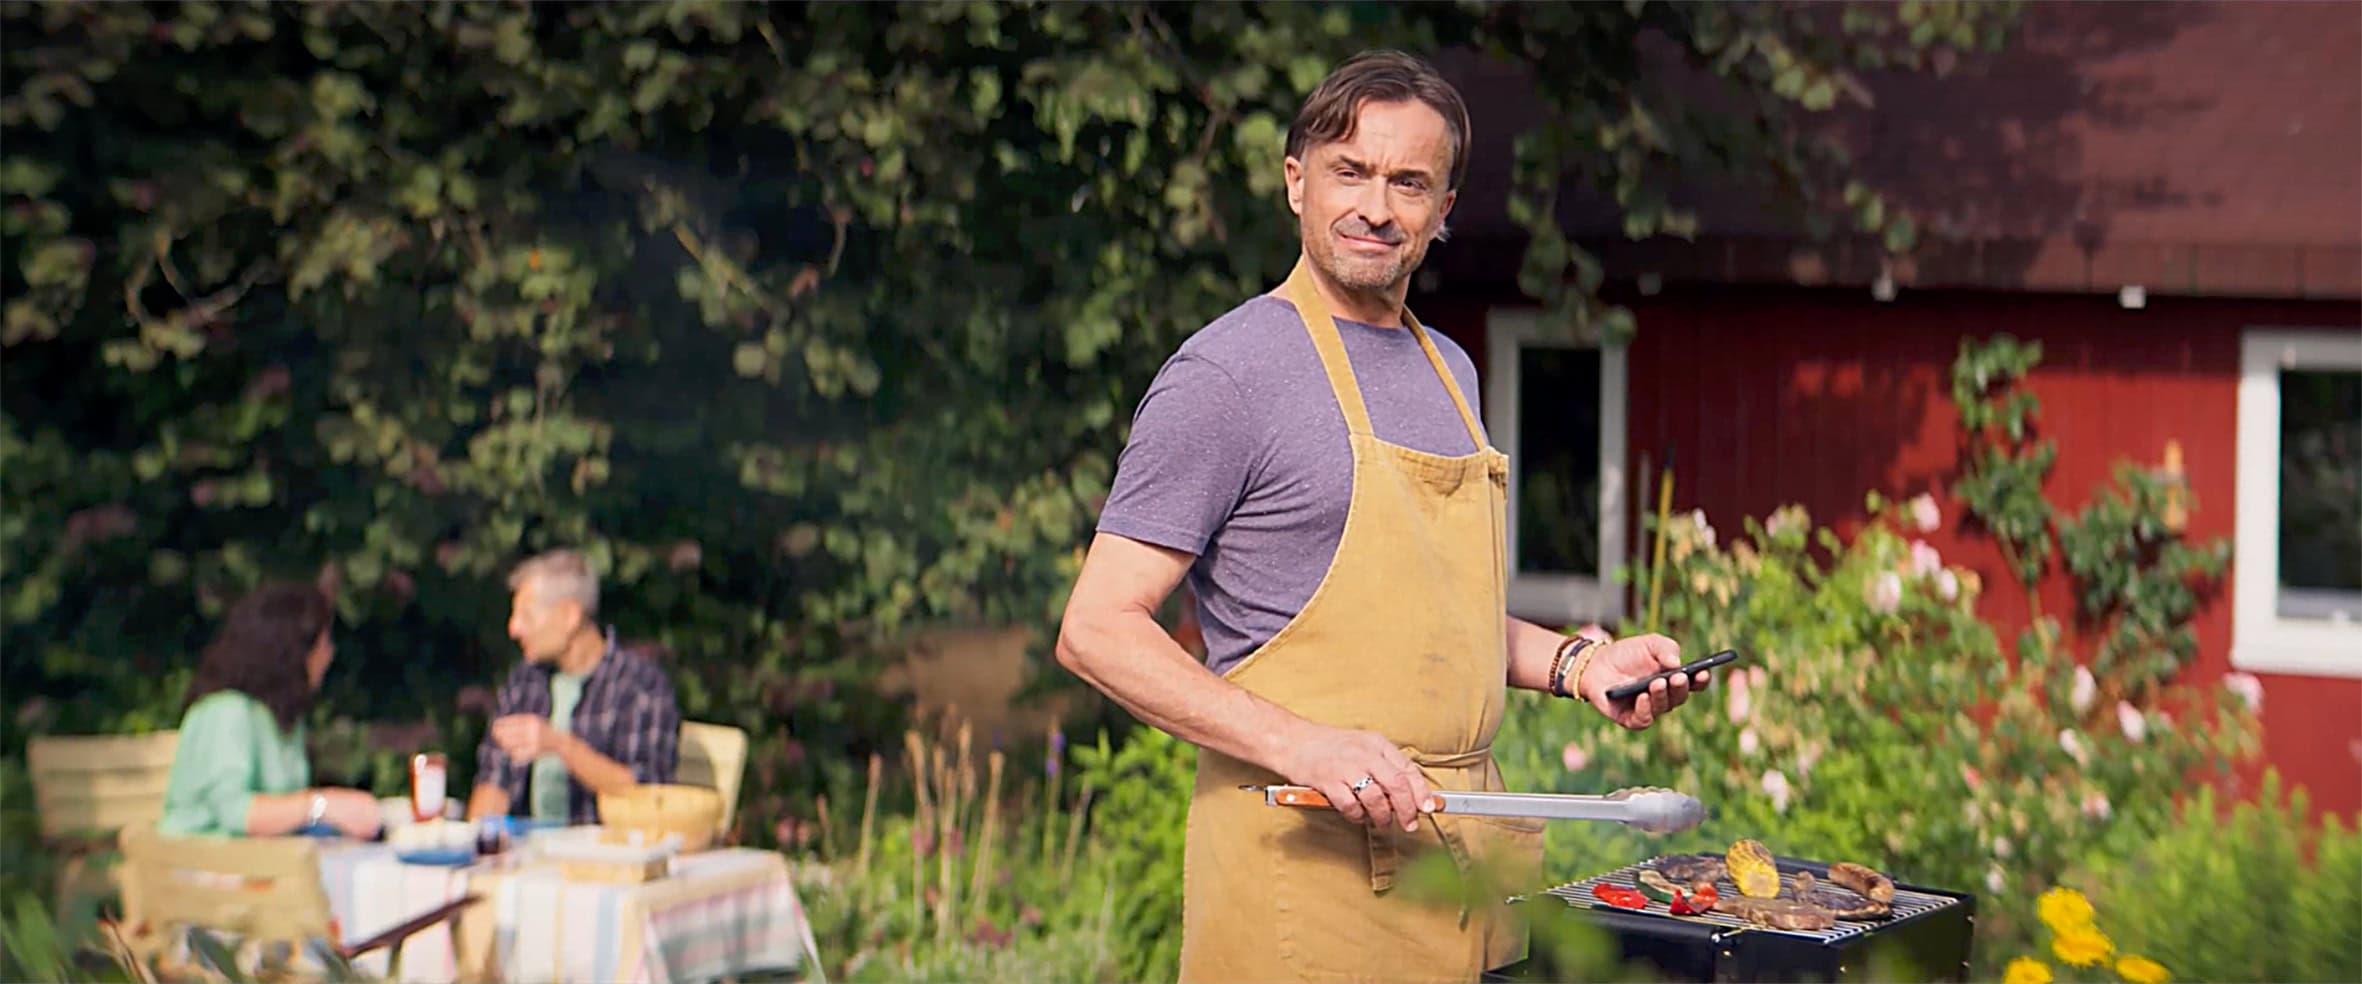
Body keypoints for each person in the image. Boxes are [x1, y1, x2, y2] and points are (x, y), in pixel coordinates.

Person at [1054, 49, 1714, 982]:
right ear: (1295, 182)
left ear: (1443, 211)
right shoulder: (1227, 377)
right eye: (1349, 171)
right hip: (1306, 881)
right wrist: (1302, 743)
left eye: (1409, 182)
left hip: (1463, 874)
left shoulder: (1451, 370)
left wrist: (1579, 664)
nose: (1376, 205)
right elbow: (1095, 630)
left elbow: (1429, 620)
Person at [466, 548, 679, 825]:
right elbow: (492, 782)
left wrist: (560, 746)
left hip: (605, 856)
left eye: (527, 617)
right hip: (526, 856)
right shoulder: (524, 682)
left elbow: (649, 795)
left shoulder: (639, 686)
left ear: (569, 616)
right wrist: (478, 840)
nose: (513, 628)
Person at [157, 582, 383, 839]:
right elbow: (235, 812)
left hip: (261, 864)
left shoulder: (281, 716)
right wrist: (321, 805)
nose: (329, 653)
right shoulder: (226, 711)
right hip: (199, 866)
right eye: (322, 643)